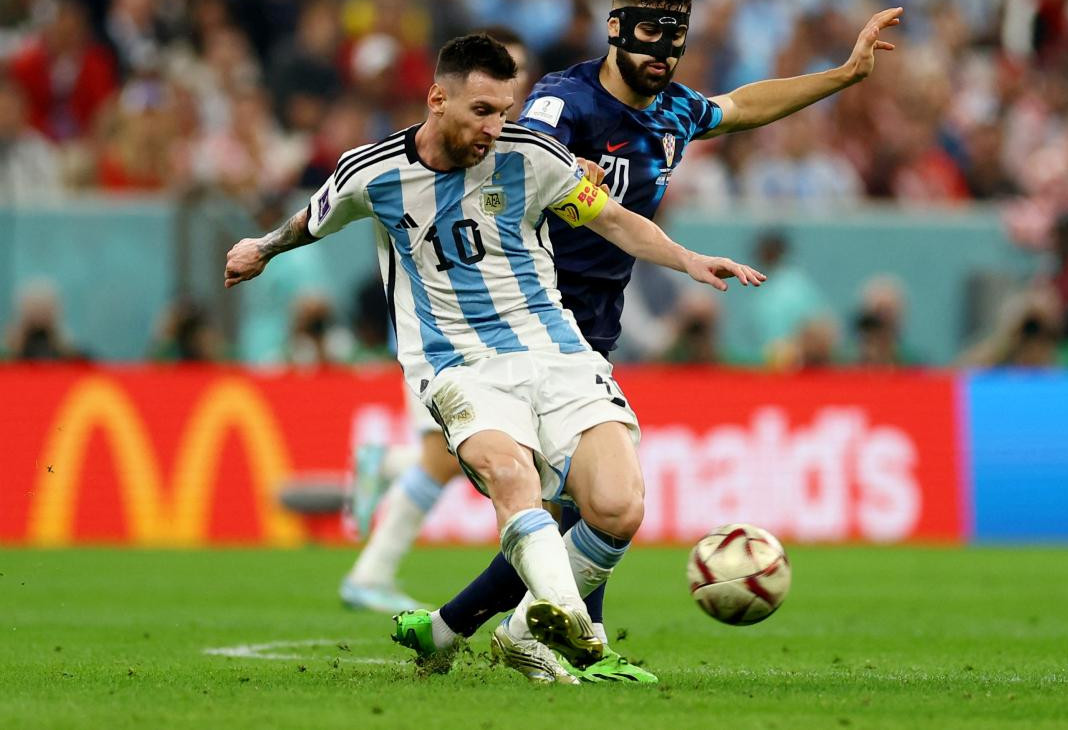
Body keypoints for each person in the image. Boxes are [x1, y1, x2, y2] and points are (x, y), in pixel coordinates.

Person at [390, 0, 899, 682]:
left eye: (675, 42)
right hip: (513, 322)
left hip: (589, 325)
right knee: (582, 499)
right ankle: (538, 637)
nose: (662, 55)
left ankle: (450, 631)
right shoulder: (561, 104)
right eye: (650, 37)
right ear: (616, 29)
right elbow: (504, 153)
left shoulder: (671, 113)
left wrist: (843, 76)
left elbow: (742, 105)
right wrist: (561, 173)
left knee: (586, 504)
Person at [223, 34, 764, 685]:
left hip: (556, 352)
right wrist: (262, 247)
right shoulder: (375, 171)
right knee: (513, 477)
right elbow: (312, 218)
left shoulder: (532, 158)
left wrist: (689, 260)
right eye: (482, 110)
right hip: (459, 365)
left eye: (504, 110)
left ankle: (510, 633)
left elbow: (615, 221)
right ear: (437, 98)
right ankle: (575, 632)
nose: (494, 127)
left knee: (618, 507)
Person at [338, 27, 533, 614]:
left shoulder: (513, 152)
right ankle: (371, 574)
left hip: (504, 335)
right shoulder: (411, 159)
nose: (497, 116)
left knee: (452, 457)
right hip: (438, 337)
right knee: (456, 456)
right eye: (485, 102)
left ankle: (380, 502)